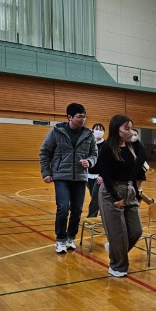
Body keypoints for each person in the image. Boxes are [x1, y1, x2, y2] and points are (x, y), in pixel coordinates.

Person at [40, 103, 98, 254]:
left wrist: (89, 162)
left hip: (80, 177)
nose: (83, 119)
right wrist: (46, 172)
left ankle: (71, 237)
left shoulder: (88, 134)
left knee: (77, 209)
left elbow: (94, 154)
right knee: (63, 207)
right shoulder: (56, 132)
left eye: (84, 117)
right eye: (79, 117)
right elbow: (45, 152)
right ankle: (60, 239)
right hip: (61, 176)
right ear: (69, 117)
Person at [96, 115, 143, 277]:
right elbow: (106, 175)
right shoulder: (107, 148)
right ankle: (117, 266)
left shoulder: (130, 146)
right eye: (126, 128)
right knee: (118, 234)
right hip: (111, 191)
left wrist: (136, 193)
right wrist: (115, 197)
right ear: (117, 130)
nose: (130, 131)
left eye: (131, 128)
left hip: (129, 190)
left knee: (136, 231)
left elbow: (135, 169)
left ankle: (115, 249)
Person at [86, 123, 105, 218]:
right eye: (96, 129)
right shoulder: (88, 143)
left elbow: (107, 162)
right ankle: (104, 214)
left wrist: (102, 175)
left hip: (100, 176)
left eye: (101, 129)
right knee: (95, 196)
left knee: (95, 197)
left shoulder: (106, 145)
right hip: (88, 175)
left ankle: (91, 217)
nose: (98, 131)